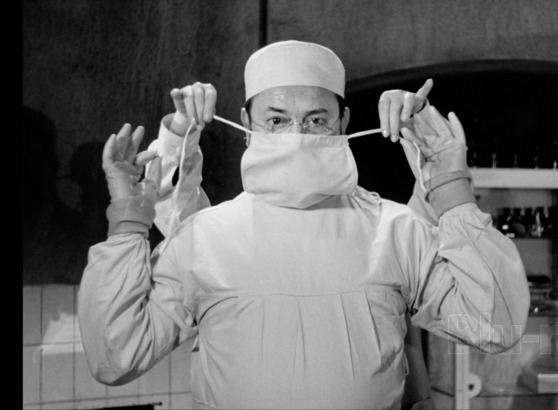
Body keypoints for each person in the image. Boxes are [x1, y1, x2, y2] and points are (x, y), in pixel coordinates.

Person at [78, 40, 529, 409]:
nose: (296, 135)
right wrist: (128, 220)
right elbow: (117, 355)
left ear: (343, 123)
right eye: (276, 120)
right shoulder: (204, 238)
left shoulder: (395, 231)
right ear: (247, 124)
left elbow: (496, 325)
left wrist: (450, 184)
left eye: (316, 120)